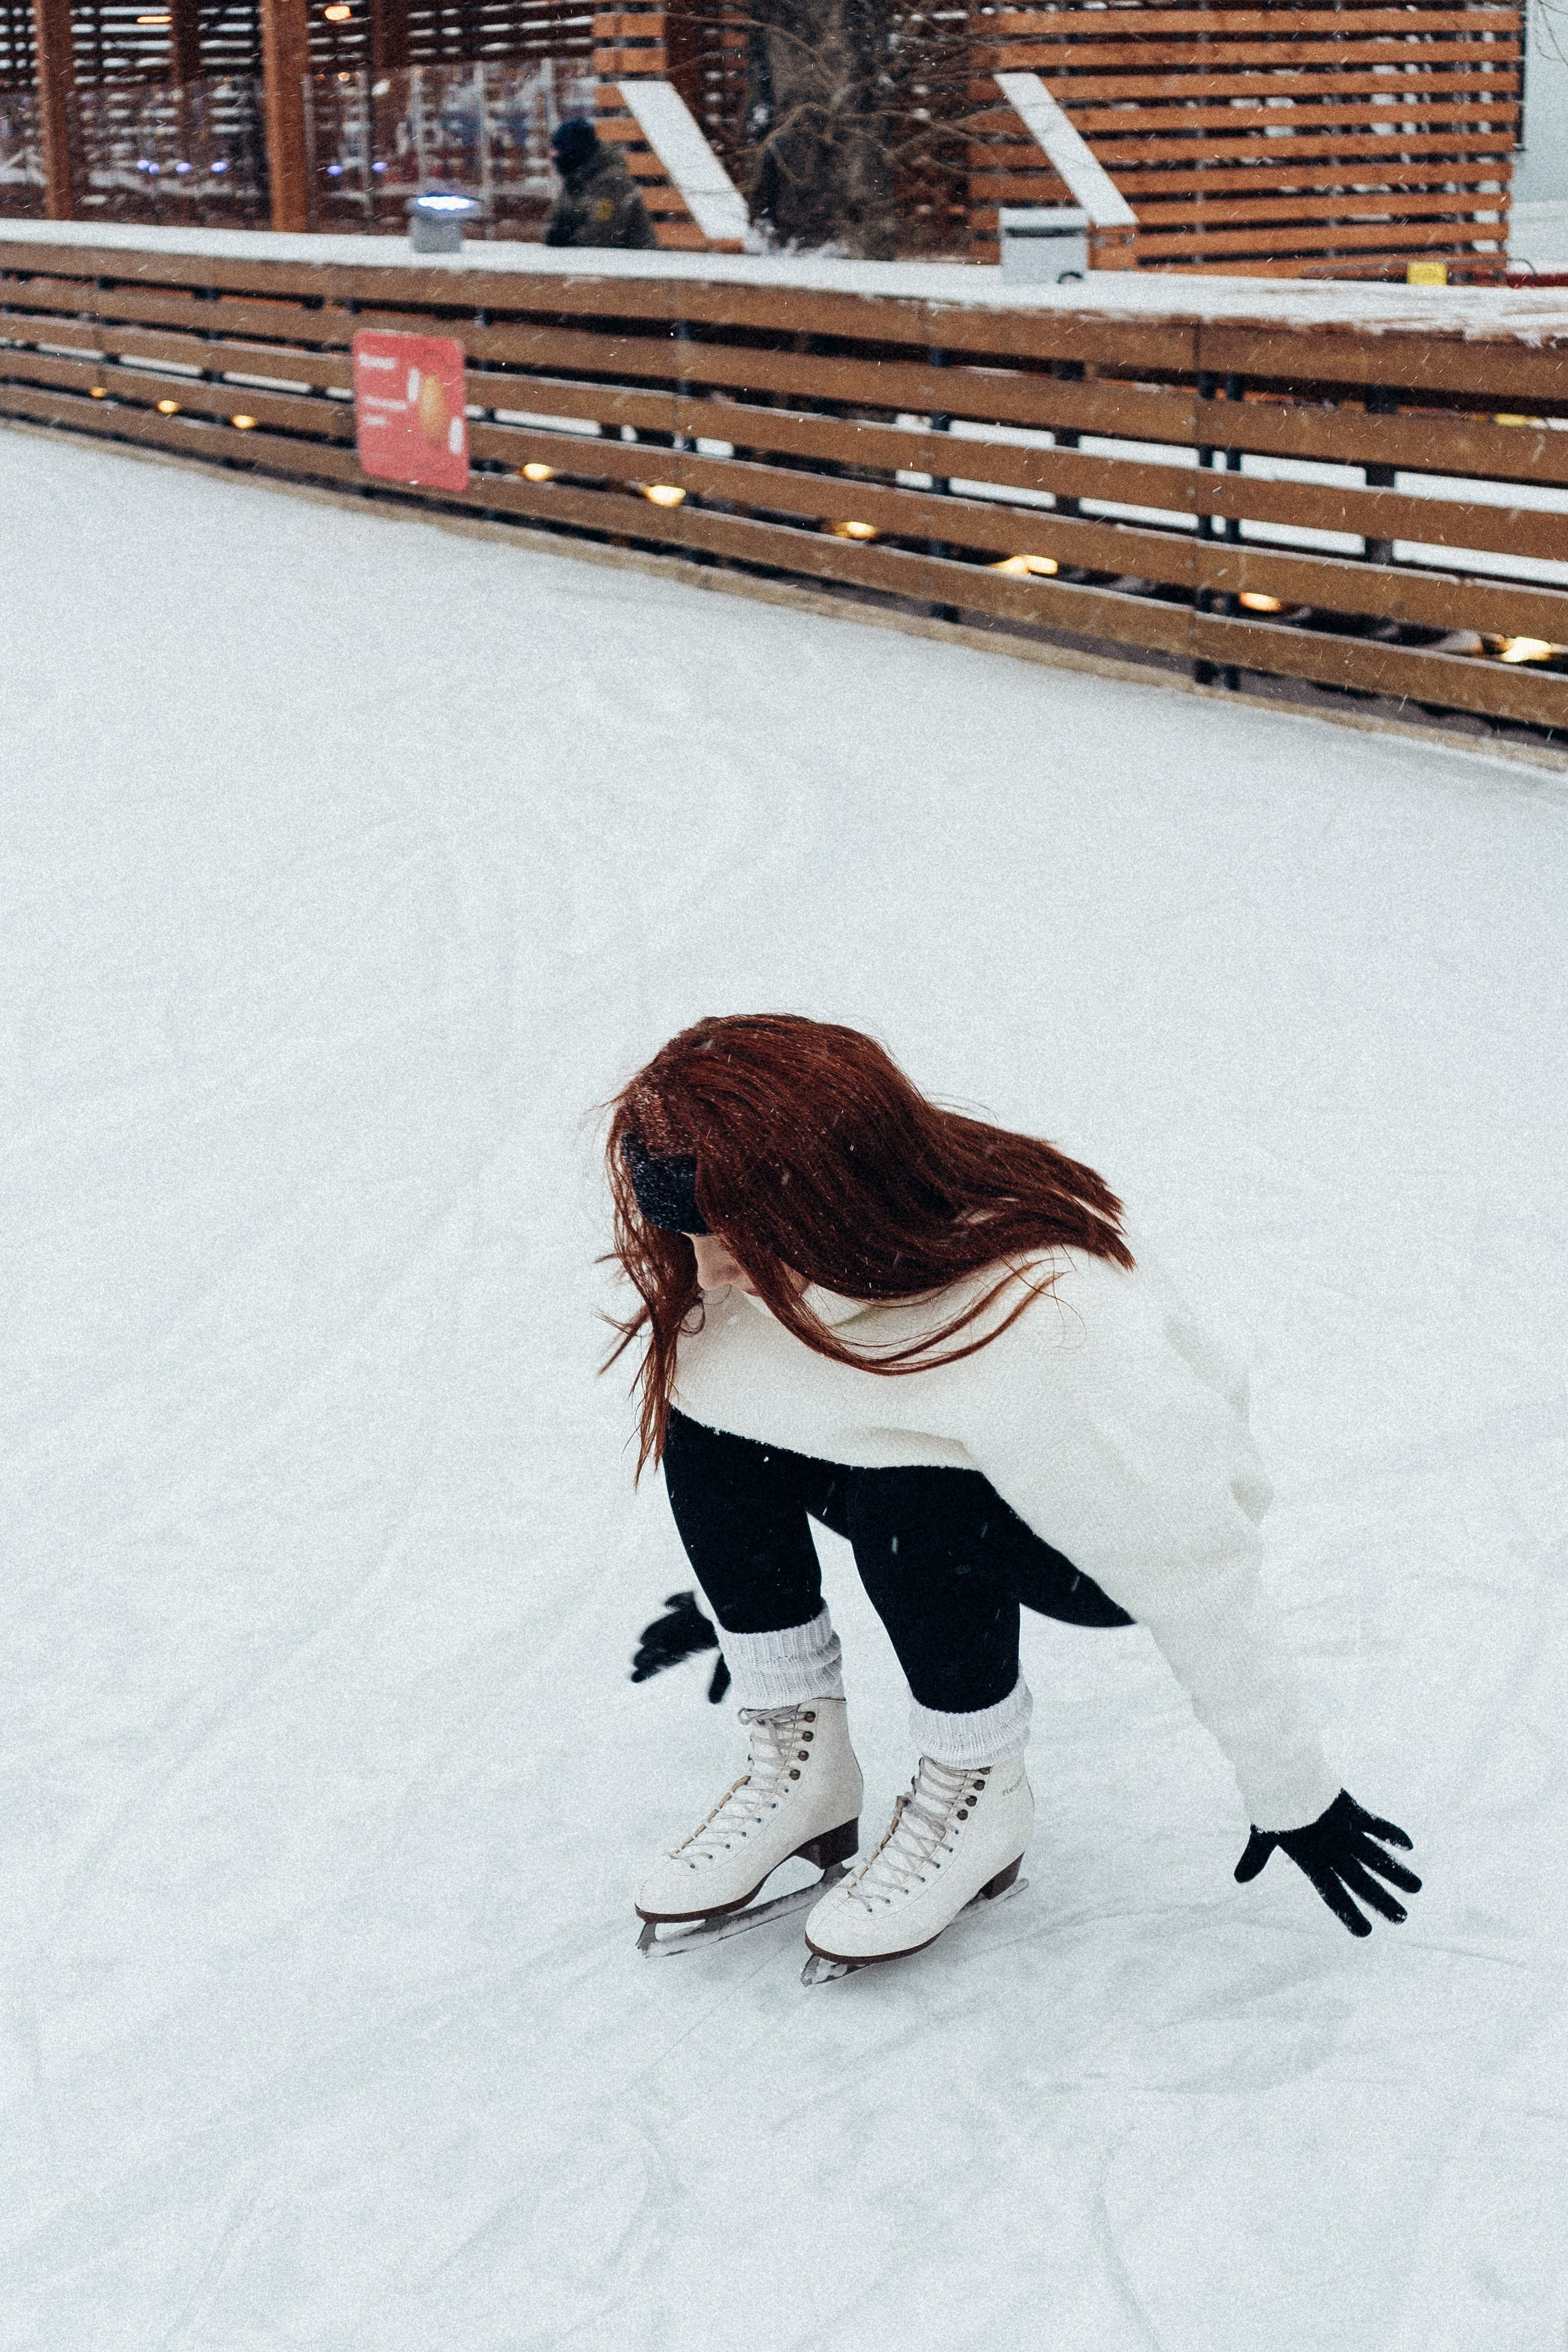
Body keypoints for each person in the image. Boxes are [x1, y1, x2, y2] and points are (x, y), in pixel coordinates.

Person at [606, 1014, 1420, 1975]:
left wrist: (1295, 1792)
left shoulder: (1049, 1321)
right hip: (936, 1456)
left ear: (826, 1202)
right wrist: (746, 1615)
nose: (710, 1271)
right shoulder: (769, 1270)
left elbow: (1195, 1565)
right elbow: (744, 1417)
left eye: (734, 1240)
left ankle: (977, 1782)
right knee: (706, 1415)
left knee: (911, 1496)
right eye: (690, 1236)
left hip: (1103, 1539)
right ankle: (808, 1766)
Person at [543, 117, 655, 251]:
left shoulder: (614, 181)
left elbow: (604, 234)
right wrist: (554, 234)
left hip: (635, 264)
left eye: (560, 154)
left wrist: (568, 238)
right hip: (600, 262)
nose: (557, 161)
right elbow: (552, 221)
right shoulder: (576, 178)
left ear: (576, 153)